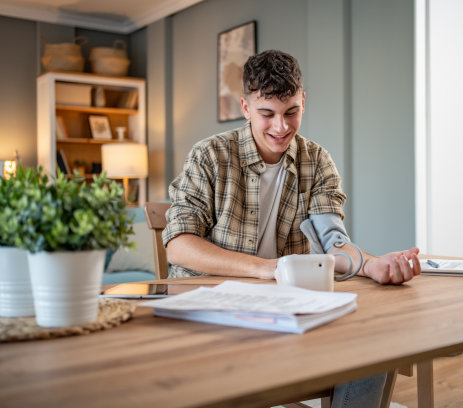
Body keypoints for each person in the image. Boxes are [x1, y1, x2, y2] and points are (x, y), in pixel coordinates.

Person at [162, 49, 421, 407]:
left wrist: (371, 264)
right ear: (245, 107)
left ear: (303, 101)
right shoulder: (210, 155)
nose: (281, 127)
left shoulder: (317, 161)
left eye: (292, 112)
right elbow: (178, 245)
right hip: (213, 310)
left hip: (284, 308)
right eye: (267, 114)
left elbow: (333, 243)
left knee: (372, 339)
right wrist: (267, 269)